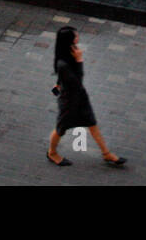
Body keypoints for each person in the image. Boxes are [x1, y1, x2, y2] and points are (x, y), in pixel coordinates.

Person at [46, 27, 126, 168]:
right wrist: (79, 61)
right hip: (69, 101)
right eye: (75, 36)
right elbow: (77, 81)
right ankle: (52, 152)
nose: (78, 37)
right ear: (69, 40)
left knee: (92, 124)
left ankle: (106, 153)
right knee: (61, 128)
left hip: (80, 98)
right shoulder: (63, 63)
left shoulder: (71, 50)